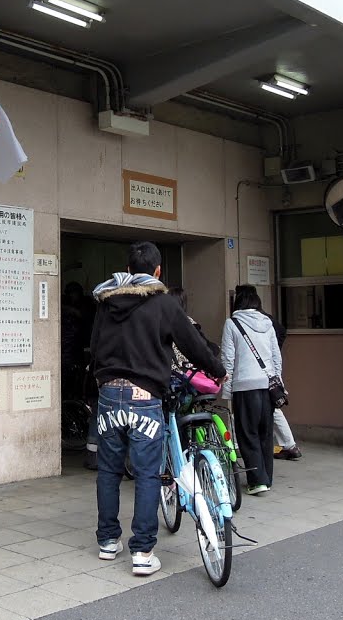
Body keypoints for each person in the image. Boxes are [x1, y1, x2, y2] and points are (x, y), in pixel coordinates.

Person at [89, 241, 224, 576]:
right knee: (148, 473)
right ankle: (143, 552)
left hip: (108, 395)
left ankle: (107, 542)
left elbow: (93, 347)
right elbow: (192, 345)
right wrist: (218, 369)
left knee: (109, 471)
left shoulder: (106, 302)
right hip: (144, 396)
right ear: (158, 271)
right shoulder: (162, 304)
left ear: (130, 270)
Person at [221, 285, 281, 495]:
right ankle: (267, 478)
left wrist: (227, 391)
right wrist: (277, 383)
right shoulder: (268, 323)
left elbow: (228, 360)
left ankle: (257, 481)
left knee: (247, 434)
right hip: (267, 387)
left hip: (244, 388)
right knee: (265, 433)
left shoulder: (232, 324)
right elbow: (276, 357)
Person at [259, 303, 302, 461]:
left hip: (260, 373)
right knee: (273, 408)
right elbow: (282, 331)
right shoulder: (269, 320)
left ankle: (289, 445)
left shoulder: (254, 321)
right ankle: (289, 445)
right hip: (270, 372)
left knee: (270, 409)